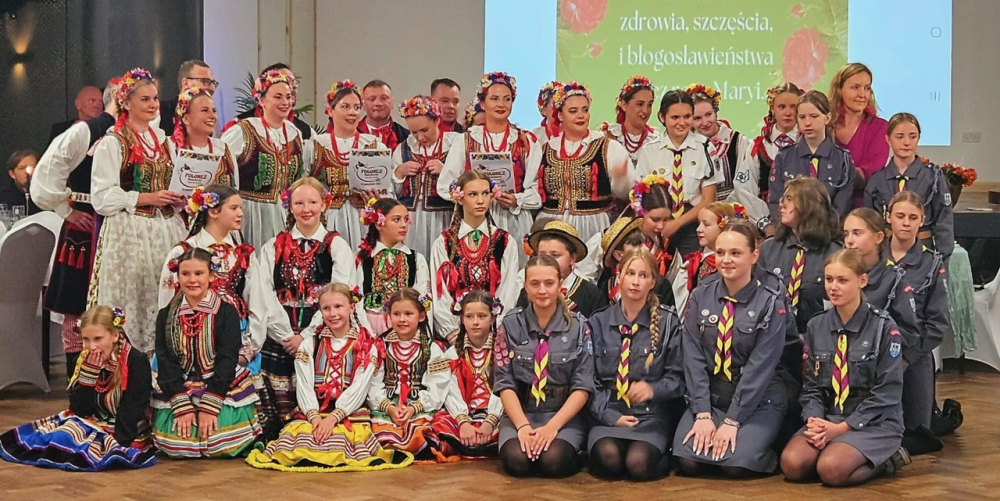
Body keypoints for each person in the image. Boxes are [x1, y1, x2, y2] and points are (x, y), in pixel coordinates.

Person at [246, 283, 414, 471]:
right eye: (326, 308)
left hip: (348, 412)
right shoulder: (309, 345)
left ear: (352, 307)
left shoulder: (366, 347)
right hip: (314, 411)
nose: (333, 314)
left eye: (338, 307)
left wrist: (333, 418)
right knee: (298, 443)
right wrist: (315, 418)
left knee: (341, 444)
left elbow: (359, 389)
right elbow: (304, 385)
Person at [780, 249, 910, 486]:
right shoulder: (817, 325)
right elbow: (810, 387)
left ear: (862, 280)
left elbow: (887, 393)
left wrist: (842, 428)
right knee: (792, 464)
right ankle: (837, 453)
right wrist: (815, 421)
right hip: (830, 415)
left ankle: (888, 460)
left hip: (872, 421)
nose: (833, 287)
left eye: (842, 280)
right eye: (829, 279)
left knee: (831, 469)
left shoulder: (883, 328)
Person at [674, 222, 788, 477]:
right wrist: (703, 413)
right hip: (713, 398)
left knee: (735, 465)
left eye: (735, 253)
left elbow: (760, 368)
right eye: (720, 252)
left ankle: (770, 450)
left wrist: (733, 420)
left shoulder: (770, 303)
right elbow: (693, 357)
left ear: (754, 256)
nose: (726, 260)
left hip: (758, 400)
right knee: (688, 460)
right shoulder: (700, 296)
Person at [89, 68, 187, 354]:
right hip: (129, 232)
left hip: (165, 231)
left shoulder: (165, 142)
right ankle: (129, 364)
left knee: (162, 294)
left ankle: (162, 363)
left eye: (155, 98)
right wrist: (146, 198)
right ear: (126, 102)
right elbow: (102, 198)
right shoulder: (114, 142)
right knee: (134, 297)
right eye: (145, 99)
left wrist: (177, 198)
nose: (153, 104)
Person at [32, 78, 119, 375]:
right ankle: (78, 380)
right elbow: (48, 171)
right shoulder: (85, 131)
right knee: (76, 302)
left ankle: (115, 377)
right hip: (85, 223)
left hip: (120, 225)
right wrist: (64, 209)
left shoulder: (141, 135)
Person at [0, 305, 155, 471]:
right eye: (86, 339)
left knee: (70, 439)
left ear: (115, 335)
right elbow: (79, 410)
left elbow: (132, 408)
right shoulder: (83, 359)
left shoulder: (135, 362)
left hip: (126, 426)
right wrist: (89, 377)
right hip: (93, 420)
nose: (91, 346)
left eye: (98, 339)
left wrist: (117, 444)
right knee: (56, 436)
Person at [259, 176, 356, 437]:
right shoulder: (274, 246)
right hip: (281, 331)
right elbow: (263, 292)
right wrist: (285, 335)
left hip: (322, 327)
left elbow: (341, 291)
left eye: (312, 202)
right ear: (289, 206)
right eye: (299, 203)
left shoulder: (337, 246)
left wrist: (306, 335)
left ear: (324, 205)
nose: (306, 209)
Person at [152, 248, 262, 458]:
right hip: (180, 383)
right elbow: (165, 361)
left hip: (219, 382)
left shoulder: (226, 313)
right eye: (185, 274)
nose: (192, 280)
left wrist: (211, 404)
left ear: (211, 275)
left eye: (199, 273)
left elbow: (227, 359)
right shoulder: (166, 316)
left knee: (219, 442)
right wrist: (180, 403)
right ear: (178, 276)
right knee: (177, 445)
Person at [588, 248, 683, 481]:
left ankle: (665, 453)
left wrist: (653, 389)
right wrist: (610, 416)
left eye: (643, 275)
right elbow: (588, 380)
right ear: (619, 276)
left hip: (650, 416)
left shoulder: (668, 322)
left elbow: (678, 377)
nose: (636, 282)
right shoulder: (598, 321)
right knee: (608, 458)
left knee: (638, 463)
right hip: (608, 411)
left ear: (653, 282)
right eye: (630, 273)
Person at [494, 255, 594, 478]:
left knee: (553, 461)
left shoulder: (578, 327)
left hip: (562, 414)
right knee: (516, 461)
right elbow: (504, 382)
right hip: (522, 411)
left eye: (549, 283)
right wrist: (522, 426)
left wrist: (552, 427)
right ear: (525, 286)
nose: (542, 290)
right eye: (535, 283)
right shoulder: (510, 325)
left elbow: (583, 386)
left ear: (560, 284)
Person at [439, 71, 543, 264]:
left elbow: (538, 188)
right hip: (473, 219)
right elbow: (446, 185)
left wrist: (516, 199)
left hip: (512, 219)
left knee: (512, 270)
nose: (501, 104)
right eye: (494, 99)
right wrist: (469, 196)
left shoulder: (526, 141)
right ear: (483, 102)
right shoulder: (466, 140)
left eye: (507, 99)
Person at [886, 191, 953, 452]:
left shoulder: (931, 263)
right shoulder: (872, 258)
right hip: (872, 353)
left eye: (913, 218)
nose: (906, 223)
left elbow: (937, 323)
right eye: (900, 216)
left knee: (918, 435)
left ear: (922, 221)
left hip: (913, 354)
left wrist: (908, 357)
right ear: (888, 217)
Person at [537, 81, 632, 244]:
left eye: (585, 110)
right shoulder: (546, 148)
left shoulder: (608, 147)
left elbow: (628, 193)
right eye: (573, 111)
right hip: (551, 225)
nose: (581, 115)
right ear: (560, 115)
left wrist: (621, 178)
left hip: (592, 226)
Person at [430, 170, 519, 343]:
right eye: (473, 194)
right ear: (459, 198)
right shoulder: (444, 242)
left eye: (485, 193)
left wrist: (495, 329)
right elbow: (440, 292)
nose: (480, 200)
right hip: (456, 333)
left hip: (493, 333)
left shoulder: (505, 241)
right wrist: (453, 332)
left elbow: (508, 291)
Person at [221, 69, 305, 249]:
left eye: (288, 97)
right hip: (252, 214)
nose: (285, 102)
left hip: (285, 215)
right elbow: (223, 172)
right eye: (278, 97)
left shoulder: (295, 133)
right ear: (261, 100)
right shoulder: (243, 130)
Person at [634, 89, 723, 258]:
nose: (682, 123)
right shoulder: (650, 150)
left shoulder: (705, 148)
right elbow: (638, 196)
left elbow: (708, 200)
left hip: (693, 225)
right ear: (662, 117)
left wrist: (677, 223)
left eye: (687, 117)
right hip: (657, 227)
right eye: (675, 117)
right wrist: (656, 225)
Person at [367, 288, 451, 458]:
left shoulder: (431, 348)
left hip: (419, 405)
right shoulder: (380, 345)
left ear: (421, 316)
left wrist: (414, 408)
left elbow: (438, 385)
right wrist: (389, 408)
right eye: (396, 314)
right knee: (377, 434)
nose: (402, 319)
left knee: (427, 433)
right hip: (388, 405)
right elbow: (372, 382)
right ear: (389, 316)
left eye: (408, 314)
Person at [842, 208, 921, 374]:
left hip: (880, 365)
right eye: (846, 234)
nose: (849, 241)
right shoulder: (837, 274)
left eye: (857, 233)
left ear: (878, 237)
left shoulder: (894, 279)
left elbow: (909, 332)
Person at [310, 79, 387, 249]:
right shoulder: (315, 145)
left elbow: (387, 190)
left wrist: (378, 199)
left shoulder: (373, 145)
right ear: (330, 111)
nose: (352, 112)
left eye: (356, 107)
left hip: (362, 220)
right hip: (327, 219)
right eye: (345, 107)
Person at [760, 177, 843, 335]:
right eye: (783, 198)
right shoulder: (768, 249)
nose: (781, 204)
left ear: (809, 206)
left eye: (789, 199)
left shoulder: (835, 253)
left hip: (820, 335)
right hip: (774, 335)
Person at [865, 113, 954, 257]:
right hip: (887, 253)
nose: (906, 142)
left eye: (912, 137)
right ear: (888, 139)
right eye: (899, 137)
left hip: (924, 252)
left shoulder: (932, 177)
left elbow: (944, 221)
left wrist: (941, 259)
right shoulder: (877, 180)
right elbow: (870, 223)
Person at [769, 90, 856, 223]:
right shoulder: (783, 157)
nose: (808, 123)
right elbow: (776, 202)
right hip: (791, 231)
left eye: (814, 116)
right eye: (802, 117)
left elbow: (842, 207)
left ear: (827, 118)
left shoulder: (843, 160)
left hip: (829, 232)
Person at [435, 291, 504, 457]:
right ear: (461, 319)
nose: (475, 322)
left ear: (493, 318)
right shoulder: (452, 354)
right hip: (464, 415)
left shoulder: (502, 351)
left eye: (482, 316)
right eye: (469, 316)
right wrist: (463, 422)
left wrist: (490, 421)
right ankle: (473, 438)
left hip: (497, 415)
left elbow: (506, 387)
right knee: (437, 423)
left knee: (511, 426)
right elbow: (449, 390)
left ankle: (482, 440)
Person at [393, 95, 460, 258]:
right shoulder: (404, 148)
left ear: (437, 120)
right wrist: (399, 172)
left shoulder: (455, 144)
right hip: (412, 221)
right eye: (414, 132)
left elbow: (467, 183)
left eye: (424, 130)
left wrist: (446, 171)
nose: (420, 137)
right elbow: (391, 192)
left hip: (444, 218)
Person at [577, 175, 675, 285]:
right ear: (639, 212)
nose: (661, 226)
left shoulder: (667, 246)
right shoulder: (608, 240)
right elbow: (584, 276)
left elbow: (675, 285)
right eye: (655, 219)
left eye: (666, 220)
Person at [356, 197, 431, 335]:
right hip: (369, 328)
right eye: (396, 220)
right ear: (379, 224)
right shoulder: (362, 259)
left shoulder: (416, 259)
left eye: (406, 219)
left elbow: (423, 300)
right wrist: (366, 333)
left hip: (406, 328)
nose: (403, 225)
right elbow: (356, 301)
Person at [516, 220, 607, 318]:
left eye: (555, 255)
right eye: (542, 255)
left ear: (572, 258)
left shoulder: (592, 295)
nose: (548, 260)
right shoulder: (529, 292)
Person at [829, 63, 890, 205]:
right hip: (826, 206)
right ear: (839, 90)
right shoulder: (826, 125)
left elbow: (869, 175)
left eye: (867, 88)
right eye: (855, 87)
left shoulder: (879, 128)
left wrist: (830, 173)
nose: (862, 95)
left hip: (863, 208)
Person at [747, 83, 803, 233]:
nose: (788, 113)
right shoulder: (757, 147)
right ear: (772, 109)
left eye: (793, 107)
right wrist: (765, 224)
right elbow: (746, 189)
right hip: (765, 225)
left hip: (802, 223)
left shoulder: (807, 145)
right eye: (781, 107)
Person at [671, 201, 740, 311]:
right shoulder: (695, 260)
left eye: (706, 225)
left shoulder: (733, 264)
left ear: (723, 227)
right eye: (699, 223)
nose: (698, 229)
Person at [165, 87, 237, 188]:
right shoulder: (169, 147)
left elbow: (234, 189)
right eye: (205, 110)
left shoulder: (223, 149)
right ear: (186, 118)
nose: (213, 116)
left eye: (214, 110)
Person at [225, 63, 314, 140]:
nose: (293, 86)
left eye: (294, 81)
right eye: (286, 80)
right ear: (262, 99)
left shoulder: (303, 131)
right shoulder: (241, 127)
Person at [601, 76, 660, 165]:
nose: (645, 111)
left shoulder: (656, 140)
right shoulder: (608, 137)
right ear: (624, 105)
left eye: (649, 105)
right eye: (640, 104)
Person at [159, 60, 218, 136]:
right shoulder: (161, 112)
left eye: (213, 83)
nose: (212, 88)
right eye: (205, 81)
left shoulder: (211, 122)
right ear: (186, 83)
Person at [357, 79, 410, 150]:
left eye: (384, 98)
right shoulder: (351, 134)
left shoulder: (406, 137)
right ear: (363, 104)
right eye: (372, 99)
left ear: (392, 102)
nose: (378, 103)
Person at [1, 149, 40, 214]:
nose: (28, 171)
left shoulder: (45, 193)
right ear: (12, 174)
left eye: (33, 167)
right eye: (22, 168)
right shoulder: (5, 195)